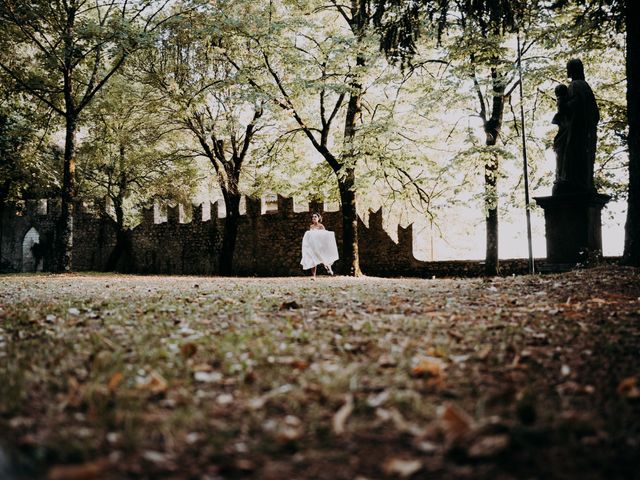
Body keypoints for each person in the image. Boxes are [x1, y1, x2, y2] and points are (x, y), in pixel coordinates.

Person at [553, 58, 600, 195]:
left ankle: (570, 181)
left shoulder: (575, 86)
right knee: (579, 158)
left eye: (569, 68)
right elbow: (594, 114)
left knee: (569, 156)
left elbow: (572, 107)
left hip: (575, 131)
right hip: (584, 131)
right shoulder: (585, 87)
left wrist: (561, 102)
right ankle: (579, 182)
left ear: (572, 70)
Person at [300, 213, 339, 278]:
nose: (314, 218)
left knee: (323, 258)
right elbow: (311, 236)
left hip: (320, 246)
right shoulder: (311, 226)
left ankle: (329, 268)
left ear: (318, 218)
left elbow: (324, 236)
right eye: (313, 217)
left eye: (315, 217)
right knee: (312, 260)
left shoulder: (321, 226)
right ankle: (314, 276)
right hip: (313, 247)